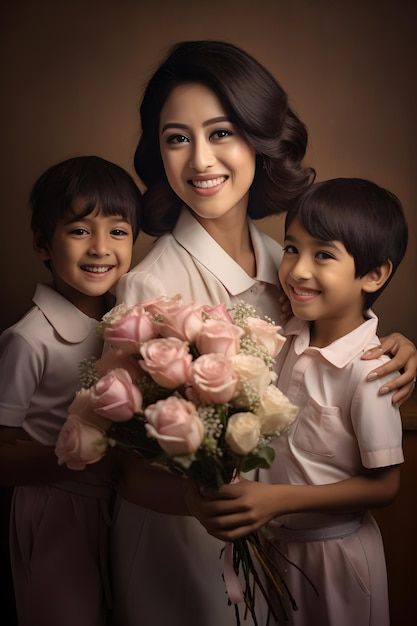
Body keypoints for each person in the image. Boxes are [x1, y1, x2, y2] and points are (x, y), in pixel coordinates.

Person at [111, 41, 417, 626]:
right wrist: (202, 500)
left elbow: (332, 348)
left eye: (221, 132)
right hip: (180, 550)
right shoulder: (149, 288)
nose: (200, 160)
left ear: (260, 136)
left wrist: (391, 341)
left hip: (282, 551)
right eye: (177, 138)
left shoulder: (283, 261)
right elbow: (125, 466)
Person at [186, 177, 408, 626]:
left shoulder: (370, 370)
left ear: (374, 274)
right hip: (278, 549)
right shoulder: (283, 338)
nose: (298, 269)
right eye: (291, 248)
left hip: (337, 557)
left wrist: (276, 500)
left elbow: (385, 486)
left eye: (323, 255)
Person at [0, 155, 141, 626]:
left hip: (114, 505)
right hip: (54, 504)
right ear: (43, 243)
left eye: (118, 232)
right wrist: (81, 455)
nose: (100, 248)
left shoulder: (127, 322)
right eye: (80, 230)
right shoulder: (28, 338)